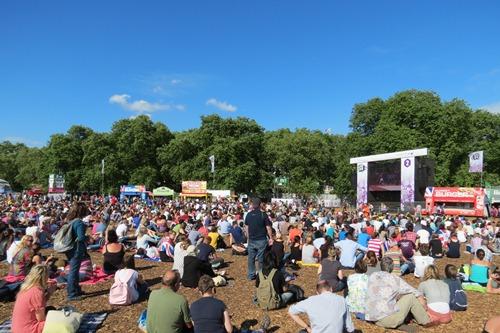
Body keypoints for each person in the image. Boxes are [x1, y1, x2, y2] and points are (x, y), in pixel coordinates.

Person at [365, 257, 430, 331]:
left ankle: (396, 323)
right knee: (411, 297)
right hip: (386, 319)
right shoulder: (395, 279)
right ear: (392, 267)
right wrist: (421, 298)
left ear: (380, 266)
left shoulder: (373, 276)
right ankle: (426, 322)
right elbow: (413, 291)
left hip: (371, 317)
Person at [288, 280, 355, 333]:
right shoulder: (342, 300)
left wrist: (307, 327)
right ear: (331, 289)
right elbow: (350, 328)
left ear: (317, 292)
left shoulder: (310, 300)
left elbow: (291, 311)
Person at [11, 265, 56, 333]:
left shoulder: (26, 288)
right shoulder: (37, 292)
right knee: (57, 319)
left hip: (17, 328)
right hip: (28, 330)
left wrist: (49, 292)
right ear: (44, 277)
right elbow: (41, 319)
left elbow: (36, 304)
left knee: (50, 309)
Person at [64, 201, 90, 301]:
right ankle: (71, 293)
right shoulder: (78, 222)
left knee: (74, 269)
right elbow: (81, 237)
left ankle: (76, 289)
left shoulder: (71, 221)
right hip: (76, 249)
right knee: (73, 271)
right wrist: (88, 237)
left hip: (70, 249)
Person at [245, 198, 273, 280]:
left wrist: (248, 237)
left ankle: (251, 275)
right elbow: (268, 227)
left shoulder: (249, 214)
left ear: (253, 205)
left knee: (251, 258)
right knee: (261, 259)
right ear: (260, 204)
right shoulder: (263, 214)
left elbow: (246, 227)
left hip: (252, 239)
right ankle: (260, 275)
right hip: (261, 239)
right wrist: (271, 237)